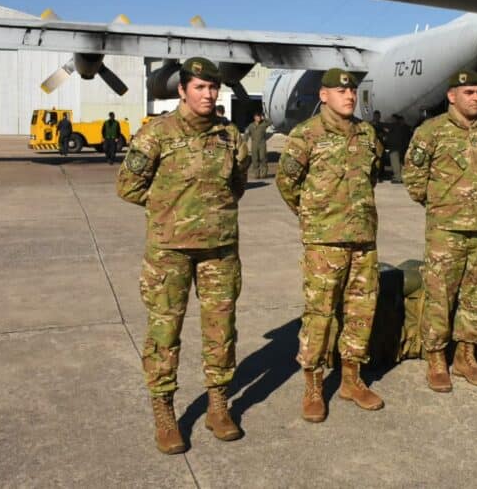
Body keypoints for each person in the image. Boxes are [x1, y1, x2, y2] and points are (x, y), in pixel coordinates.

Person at [116, 57, 249, 454]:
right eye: (200, 88)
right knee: (164, 333)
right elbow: (127, 186)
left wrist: (209, 211)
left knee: (221, 330)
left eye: (213, 88)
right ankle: (164, 411)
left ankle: (218, 405)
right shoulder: (157, 134)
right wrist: (169, 209)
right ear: (182, 90)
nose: (208, 94)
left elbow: (238, 183)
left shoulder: (229, 136)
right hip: (169, 252)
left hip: (219, 251)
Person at [276, 68, 385, 423]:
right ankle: (313, 385)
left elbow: (372, 176)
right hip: (325, 241)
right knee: (319, 315)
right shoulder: (306, 135)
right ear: (324, 96)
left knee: (361, 312)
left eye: (352, 91)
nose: (349, 96)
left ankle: (352, 380)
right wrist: (314, 215)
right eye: (341, 91)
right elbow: (287, 182)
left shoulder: (367, 133)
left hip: (363, 239)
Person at [403, 69, 477, 392]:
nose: (476, 98)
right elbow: (413, 178)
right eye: (469, 93)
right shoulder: (430, 131)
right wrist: (441, 206)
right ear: (452, 96)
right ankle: (435, 358)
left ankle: (465, 357)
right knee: (439, 295)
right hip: (445, 230)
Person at [384, 114, 411, 184]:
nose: (391, 120)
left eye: (392, 119)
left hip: (395, 148)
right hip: (400, 148)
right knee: (399, 163)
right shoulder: (402, 127)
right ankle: (400, 176)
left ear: (395, 119)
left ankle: (398, 178)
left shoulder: (395, 126)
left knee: (395, 163)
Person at [246, 112, 270, 179]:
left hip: (262, 144)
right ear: (254, 118)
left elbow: (270, 122)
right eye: (257, 117)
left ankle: (264, 173)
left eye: (259, 117)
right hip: (254, 144)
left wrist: (264, 118)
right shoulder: (251, 125)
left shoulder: (264, 124)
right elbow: (246, 133)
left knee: (263, 158)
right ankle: (256, 174)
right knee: (255, 159)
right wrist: (245, 141)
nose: (258, 118)